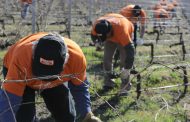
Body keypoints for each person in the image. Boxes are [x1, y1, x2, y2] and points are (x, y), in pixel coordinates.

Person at [0, 32, 102, 122]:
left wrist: (86, 114)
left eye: (49, 74)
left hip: (55, 83)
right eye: (42, 71)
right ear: (33, 55)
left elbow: (79, 88)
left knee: (67, 116)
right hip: (21, 75)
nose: (44, 81)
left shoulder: (76, 58)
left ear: (65, 61)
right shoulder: (21, 58)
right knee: (24, 117)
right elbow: (9, 102)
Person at [91, 13, 135, 94]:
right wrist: (96, 42)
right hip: (111, 36)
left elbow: (130, 50)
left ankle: (125, 87)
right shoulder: (96, 26)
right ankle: (109, 82)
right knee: (106, 59)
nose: (105, 38)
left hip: (123, 30)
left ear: (110, 30)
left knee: (124, 61)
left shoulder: (122, 31)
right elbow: (93, 35)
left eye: (105, 36)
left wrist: (127, 68)